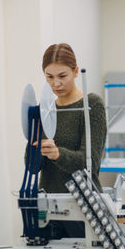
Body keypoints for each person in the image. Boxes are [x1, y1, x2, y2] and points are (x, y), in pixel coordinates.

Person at [33, 43, 107, 194]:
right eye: (50, 77)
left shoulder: (92, 104)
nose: (56, 83)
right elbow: (32, 168)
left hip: (84, 204)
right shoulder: (45, 109)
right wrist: (32, 142)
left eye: (62, 76)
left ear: (76, 72)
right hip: (49, 204)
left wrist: (57, 154)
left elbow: (91, 163)